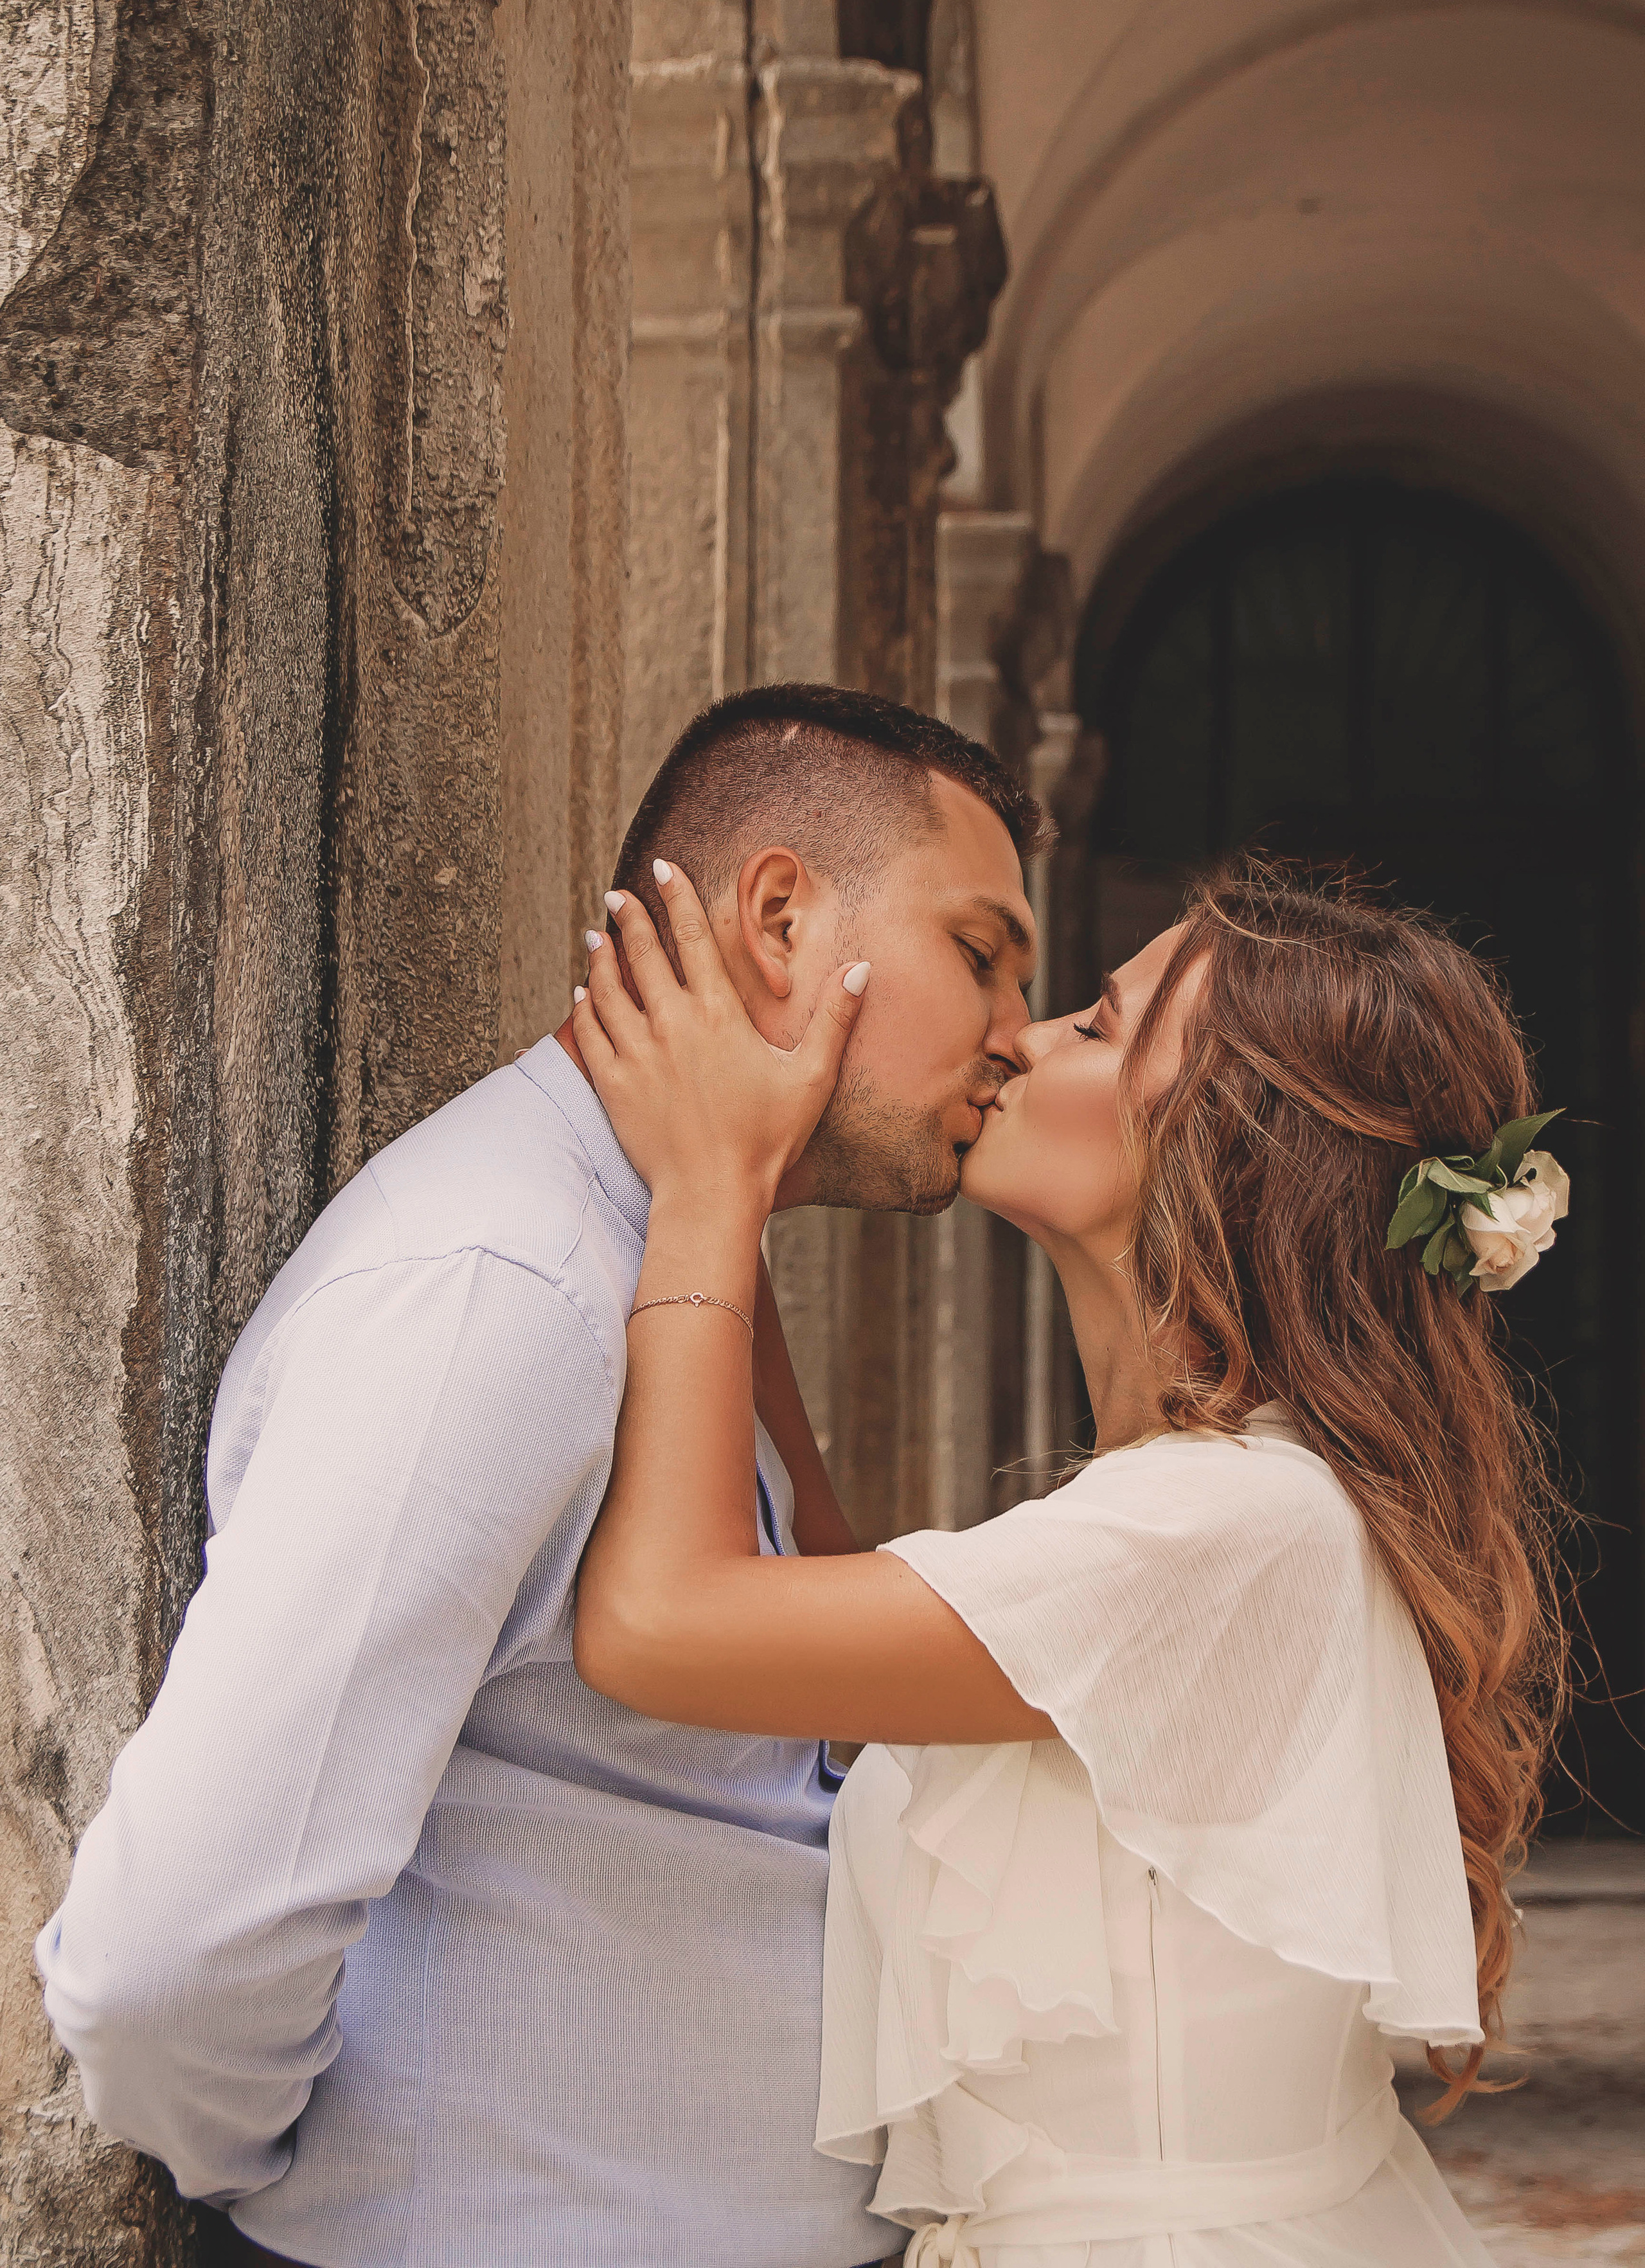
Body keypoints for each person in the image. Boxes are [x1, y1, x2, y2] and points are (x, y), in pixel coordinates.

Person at [35, 684, 1051, 2268]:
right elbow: (167, 1958)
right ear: (781, 916)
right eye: (979, 954)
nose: (1013, 1034)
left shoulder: (657, 1257)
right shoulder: (499, 1291)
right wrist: (344, 2200)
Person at [570, 851, 1569, 2267]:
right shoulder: (1200, 1510)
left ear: (1230, 1143)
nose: (1018, 1039)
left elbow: (655, 1626)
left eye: (1094, 1027)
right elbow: (854, 1676)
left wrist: (705, 1185)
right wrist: (759, 1205)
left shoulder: (1222, 1529)